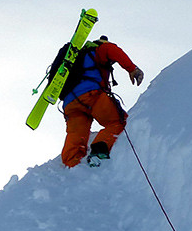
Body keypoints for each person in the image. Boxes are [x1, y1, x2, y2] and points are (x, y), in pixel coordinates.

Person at [61, 36, 143, 167]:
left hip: (71, 103)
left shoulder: (79, 60)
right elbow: (113, 50)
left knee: (77, 137)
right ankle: (98, 152)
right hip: (91, 94)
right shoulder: (100, 49)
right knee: (117, 121)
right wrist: (132, 69)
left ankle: (72, 165)